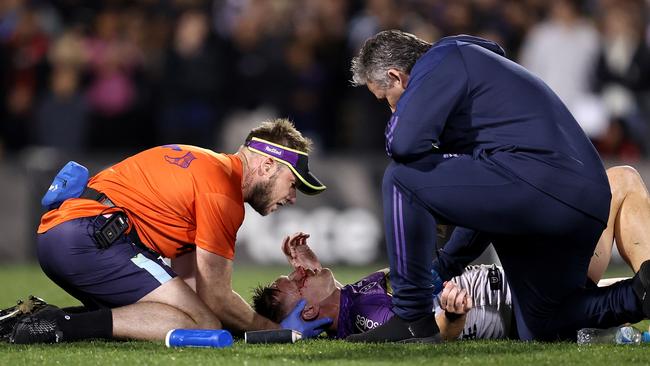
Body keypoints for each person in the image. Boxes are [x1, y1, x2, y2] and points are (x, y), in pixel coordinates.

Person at [347, 29, 650, 342]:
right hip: (582, 197)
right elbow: (486, 205)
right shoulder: (471, 69)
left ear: (396, 77)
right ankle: (640, 292)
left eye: (386, 100)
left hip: (542, 182)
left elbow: (403, 144)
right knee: (545, 324)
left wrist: (442, 267)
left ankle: (412, 318)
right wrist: (448, 264)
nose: (392, 110)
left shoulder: (441, 61)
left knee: (400, 179)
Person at [7, 118, 332, 344]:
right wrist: (274, 330)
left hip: (63, 234)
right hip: (90, 237)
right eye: (293, 184)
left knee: (188, 314)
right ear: (266, 166)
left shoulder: (209, 166)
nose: (292, 197)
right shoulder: (222, 192)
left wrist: (228, 319)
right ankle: (61, 325)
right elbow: (216, 300)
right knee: (202, 325)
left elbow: (191, 288)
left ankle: (31, 319)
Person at [253, 165, 650, 341]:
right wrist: (454, 318)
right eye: (297, 282)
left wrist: (315, 272)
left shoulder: (351, 298)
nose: (298, 271)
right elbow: (427, 333)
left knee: (620, 181)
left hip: (523, 282)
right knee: (619, 183)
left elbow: (406, 282)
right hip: (530, 303)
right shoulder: (363, 320)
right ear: (307, 311)